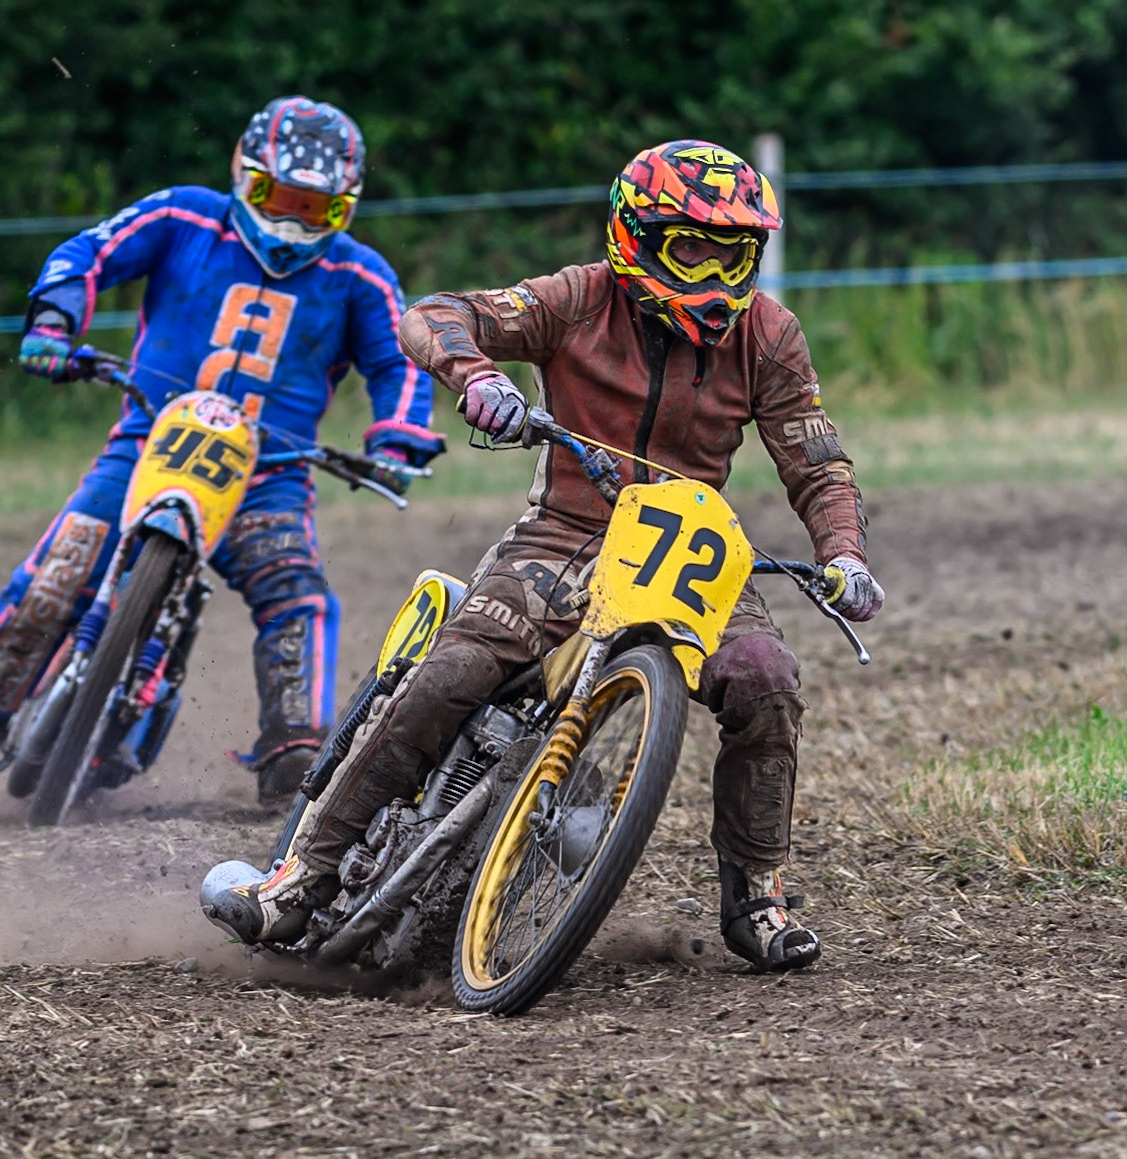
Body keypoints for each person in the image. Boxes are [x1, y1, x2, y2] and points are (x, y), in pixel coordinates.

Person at [205, 140, 882, 971]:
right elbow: (435, 313)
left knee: (766, 679)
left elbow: (816, 459)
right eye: (689, 249)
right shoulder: (577, 298)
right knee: (452, 671)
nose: (711, 276)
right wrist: (478, 377)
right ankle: (300, 875)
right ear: (635, 237)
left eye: (731, 253)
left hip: (688, 554)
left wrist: (843, 555)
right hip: (564, 532)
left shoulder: (769, 333)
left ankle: (757, 893)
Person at [0, 96, 445, 808]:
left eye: (316, 210)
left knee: (298, 596)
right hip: (146, 445)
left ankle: (294, 750)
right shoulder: (181, 217)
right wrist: (53, 321)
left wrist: (398, 436)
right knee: (54, 576)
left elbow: (399, 360)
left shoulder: (362, 276)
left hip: (268, 477)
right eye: (276, 197)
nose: (290, 221)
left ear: (344, 208)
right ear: (242, 175)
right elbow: (88, 252)